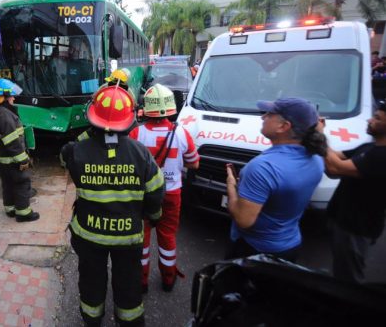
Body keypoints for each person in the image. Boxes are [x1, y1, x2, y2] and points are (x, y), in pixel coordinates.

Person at [60, 84, 165, 327]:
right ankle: (129, 322)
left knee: (91, 282)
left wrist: (90, 133)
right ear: (129, 120)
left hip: (89, 236)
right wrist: (154, 215)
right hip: (127, 237)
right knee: (128, 284)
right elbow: (156, 191)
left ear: (92, 117)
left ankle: (92, 321)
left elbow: (65, 156)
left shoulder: (76, 151)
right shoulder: (141, 153)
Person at [224, 97, 327, 262]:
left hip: (254, 251)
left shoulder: (262, 167)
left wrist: (231, 187)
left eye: (269, 114)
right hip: (290, 245)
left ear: (284, 126)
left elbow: (243, 219)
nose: (263, 117)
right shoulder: (317, 159)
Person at [129, 84, 200, 292]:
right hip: (172, 193)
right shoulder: (182, 134)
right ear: (171, 107)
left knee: (142, 239)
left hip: (144, 196)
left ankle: (141, 282)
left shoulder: (136, 134)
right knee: (167, 235)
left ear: (147, 108)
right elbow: (194, 163)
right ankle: (168, 278)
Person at [317, 100, 386, 283]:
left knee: (349, 279)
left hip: (356, 227)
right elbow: (335, 155)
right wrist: (318, 133)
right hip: (342, 219)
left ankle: (348, 308)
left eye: (377, 118)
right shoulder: (370, 147)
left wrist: (319, 135)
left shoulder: (381, 156)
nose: (370, 120)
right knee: (341, 265)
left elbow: (335, 168)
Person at [0, 78, 40, 222]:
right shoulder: (4, 115)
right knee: (22, 184)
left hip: (4, 159)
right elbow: (12, 142)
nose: (13, 97)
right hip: (12, 159)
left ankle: (10, 209)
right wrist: (23, 160)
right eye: (11, 95)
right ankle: (24, 214)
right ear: (4, 96)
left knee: (8, 184)